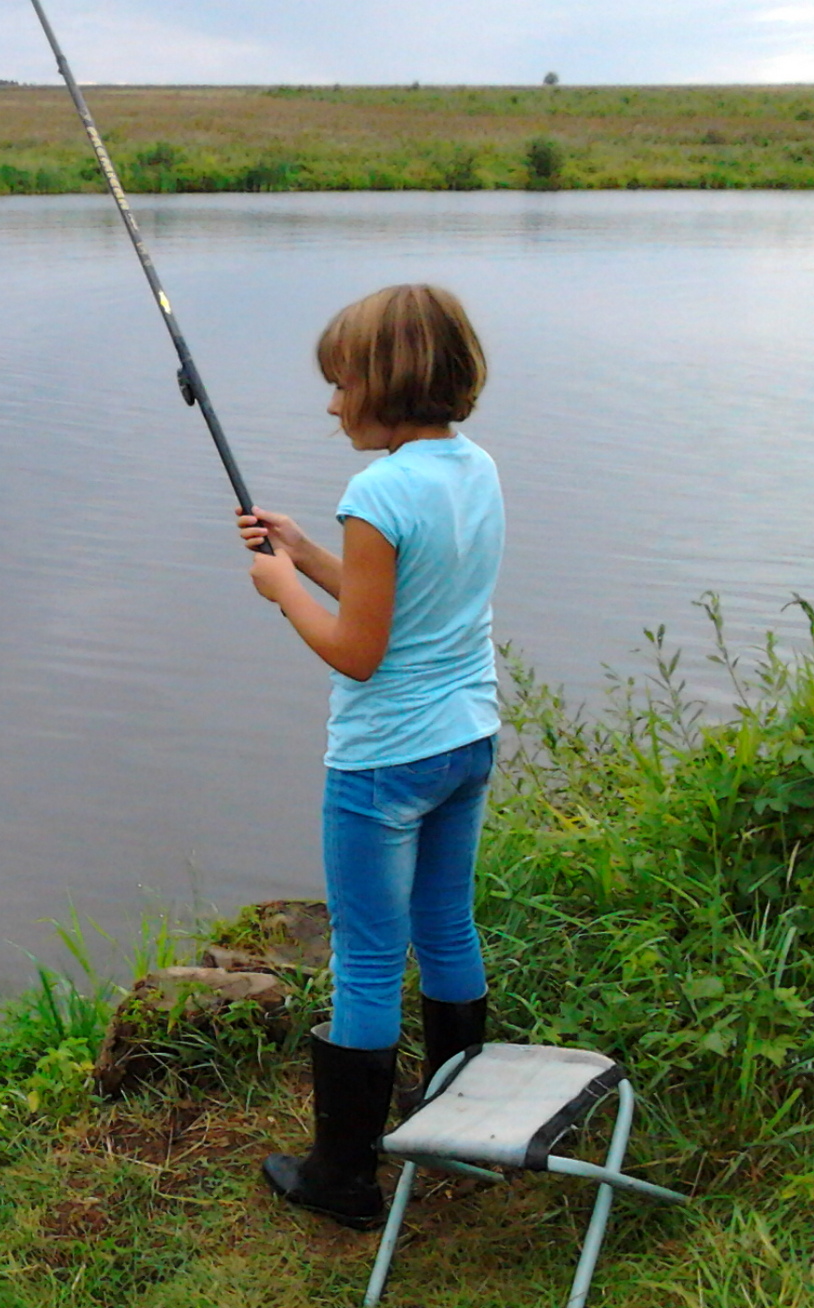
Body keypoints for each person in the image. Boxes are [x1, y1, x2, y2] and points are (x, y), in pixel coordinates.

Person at [236, 283, 501, 1231]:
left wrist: (278, 590)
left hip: (384, 763)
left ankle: (343, 1176)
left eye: (342, 382)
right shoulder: (473, 469)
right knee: (446, 925)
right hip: (466, 740)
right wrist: (304, 550)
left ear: (386, 383)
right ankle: (453, 1114)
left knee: (366, 958)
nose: (333, 402)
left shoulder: (379, 490)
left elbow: (358, 647)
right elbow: (399, 599)